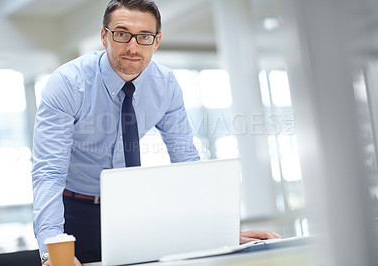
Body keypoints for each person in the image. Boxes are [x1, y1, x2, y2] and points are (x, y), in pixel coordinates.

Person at [31, 0, 281, 265]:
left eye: (144, 37)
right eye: (122, 33)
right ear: (104, 36)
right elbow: (49, 171)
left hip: (135, 208)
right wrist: (52, 250)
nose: (132, 47)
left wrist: (222, 231)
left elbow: (186, 160)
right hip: (75, 210)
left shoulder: (166, 85)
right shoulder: (68, 84)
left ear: (157, 41)